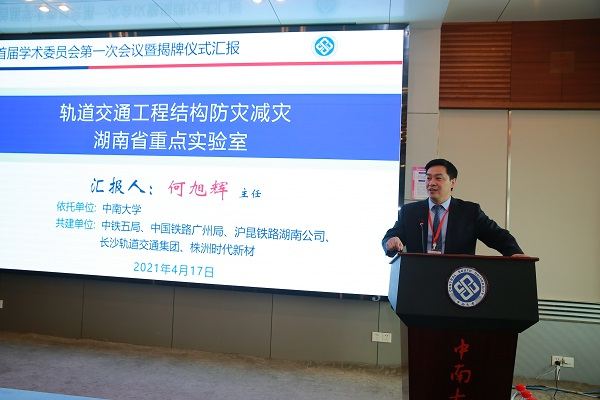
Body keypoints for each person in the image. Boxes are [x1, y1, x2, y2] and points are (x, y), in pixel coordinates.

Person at [382, 159, 524, 257]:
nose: (431, 183)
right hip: (418, 277)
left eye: (438, 178)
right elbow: (391, 236)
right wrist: (390, 241)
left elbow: (498, 236)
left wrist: (515, 253)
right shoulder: (410, 212)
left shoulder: (470, 212)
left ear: (452, 182)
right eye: (428, 178)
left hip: (456, 280)